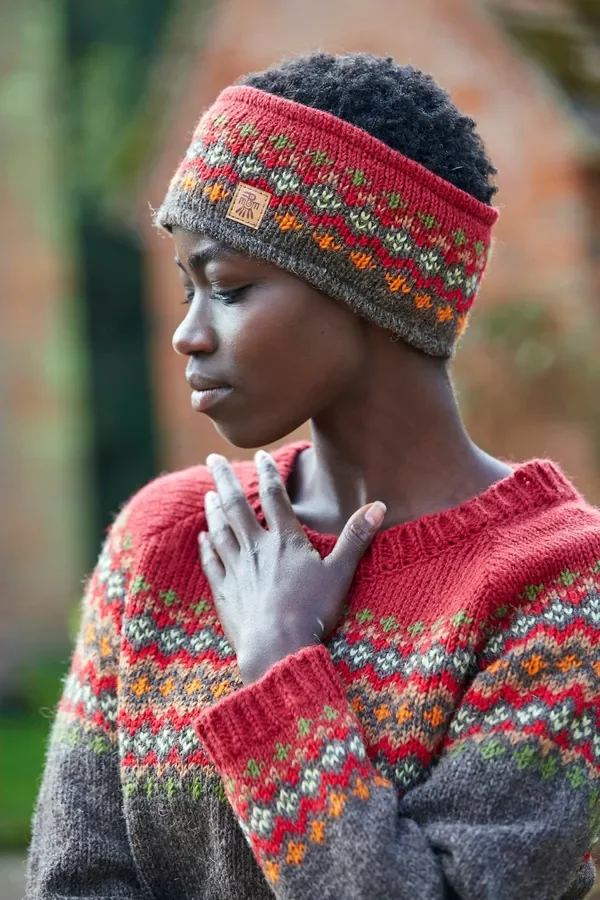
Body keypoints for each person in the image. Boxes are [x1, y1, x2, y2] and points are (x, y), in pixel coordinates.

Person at [27, 51, 600, 900]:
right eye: (187, 286)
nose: (188, 333)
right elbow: (72, 881)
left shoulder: (559, 583)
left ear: (370, 284)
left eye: (228, 286)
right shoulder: (168, 541)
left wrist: (279, 665)